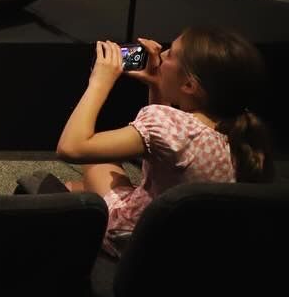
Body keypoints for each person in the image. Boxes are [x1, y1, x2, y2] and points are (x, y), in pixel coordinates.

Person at [56, 29, 275, 255]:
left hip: (136, 239)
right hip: (184, 241)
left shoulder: (167, 125)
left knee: (95, 163)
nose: (161, 54)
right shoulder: (242, 134)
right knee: (79, 187)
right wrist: (157, 85)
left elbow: (71, 147)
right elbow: (166, 153)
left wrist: (100, 81)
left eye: (171, 55)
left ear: (189, 86)